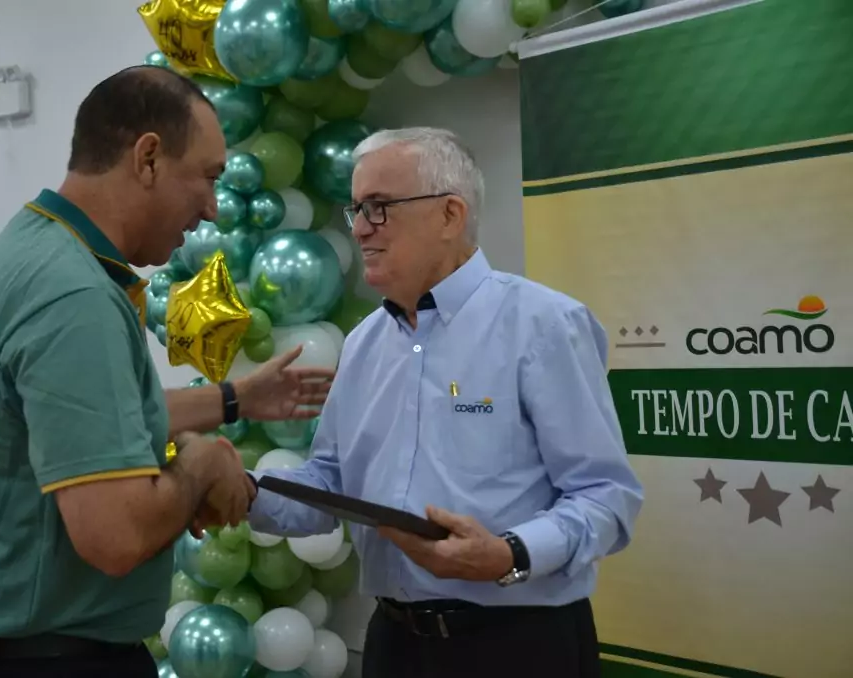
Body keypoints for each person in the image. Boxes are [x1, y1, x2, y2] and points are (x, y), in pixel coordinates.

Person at [0, 66, 332, 678]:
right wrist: (205, 462)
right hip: (38, 655)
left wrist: (235, 399)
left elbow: (90, 419)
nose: (211, 209)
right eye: (206, 178)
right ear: (148, 158)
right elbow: (116, 537)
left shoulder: (37, 251)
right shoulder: (71, 295)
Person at [245, 127, 644, 678]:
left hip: (518, 646)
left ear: (450, 214)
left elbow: (606, 497)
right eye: (356, 209)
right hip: (395, 645)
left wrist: (510, 554)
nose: (360, 229)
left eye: (379, 207)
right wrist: (245, 493)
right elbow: (332, 484)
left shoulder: (543, 325)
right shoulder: (362, 345)